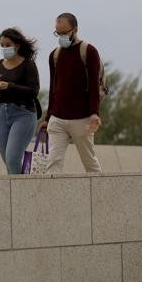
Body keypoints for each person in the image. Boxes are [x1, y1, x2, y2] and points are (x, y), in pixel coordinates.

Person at [39, 13, 102, 173]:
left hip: (82, 119)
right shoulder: (54, 55)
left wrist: (94, 113)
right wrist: (48, 118)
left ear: (75, 29)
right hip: (57, 119)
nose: (61, 36)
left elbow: (94, 85)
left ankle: (103, 195)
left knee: (90, 164)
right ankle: (52, 197)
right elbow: (54, 87)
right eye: (58, 33)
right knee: (52, 164)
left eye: (65, 33)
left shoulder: (88, 51)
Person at [0, 28, 40, 174]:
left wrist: (10, 86)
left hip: (23, 114)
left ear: (17, 45)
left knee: (12, 158)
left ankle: (19, 194)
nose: (4, 48)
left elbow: (33, 91)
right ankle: (20, 190)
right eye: (2, 45)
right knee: (8, 163)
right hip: (2, 115)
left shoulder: (28, 64)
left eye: (7, 45)